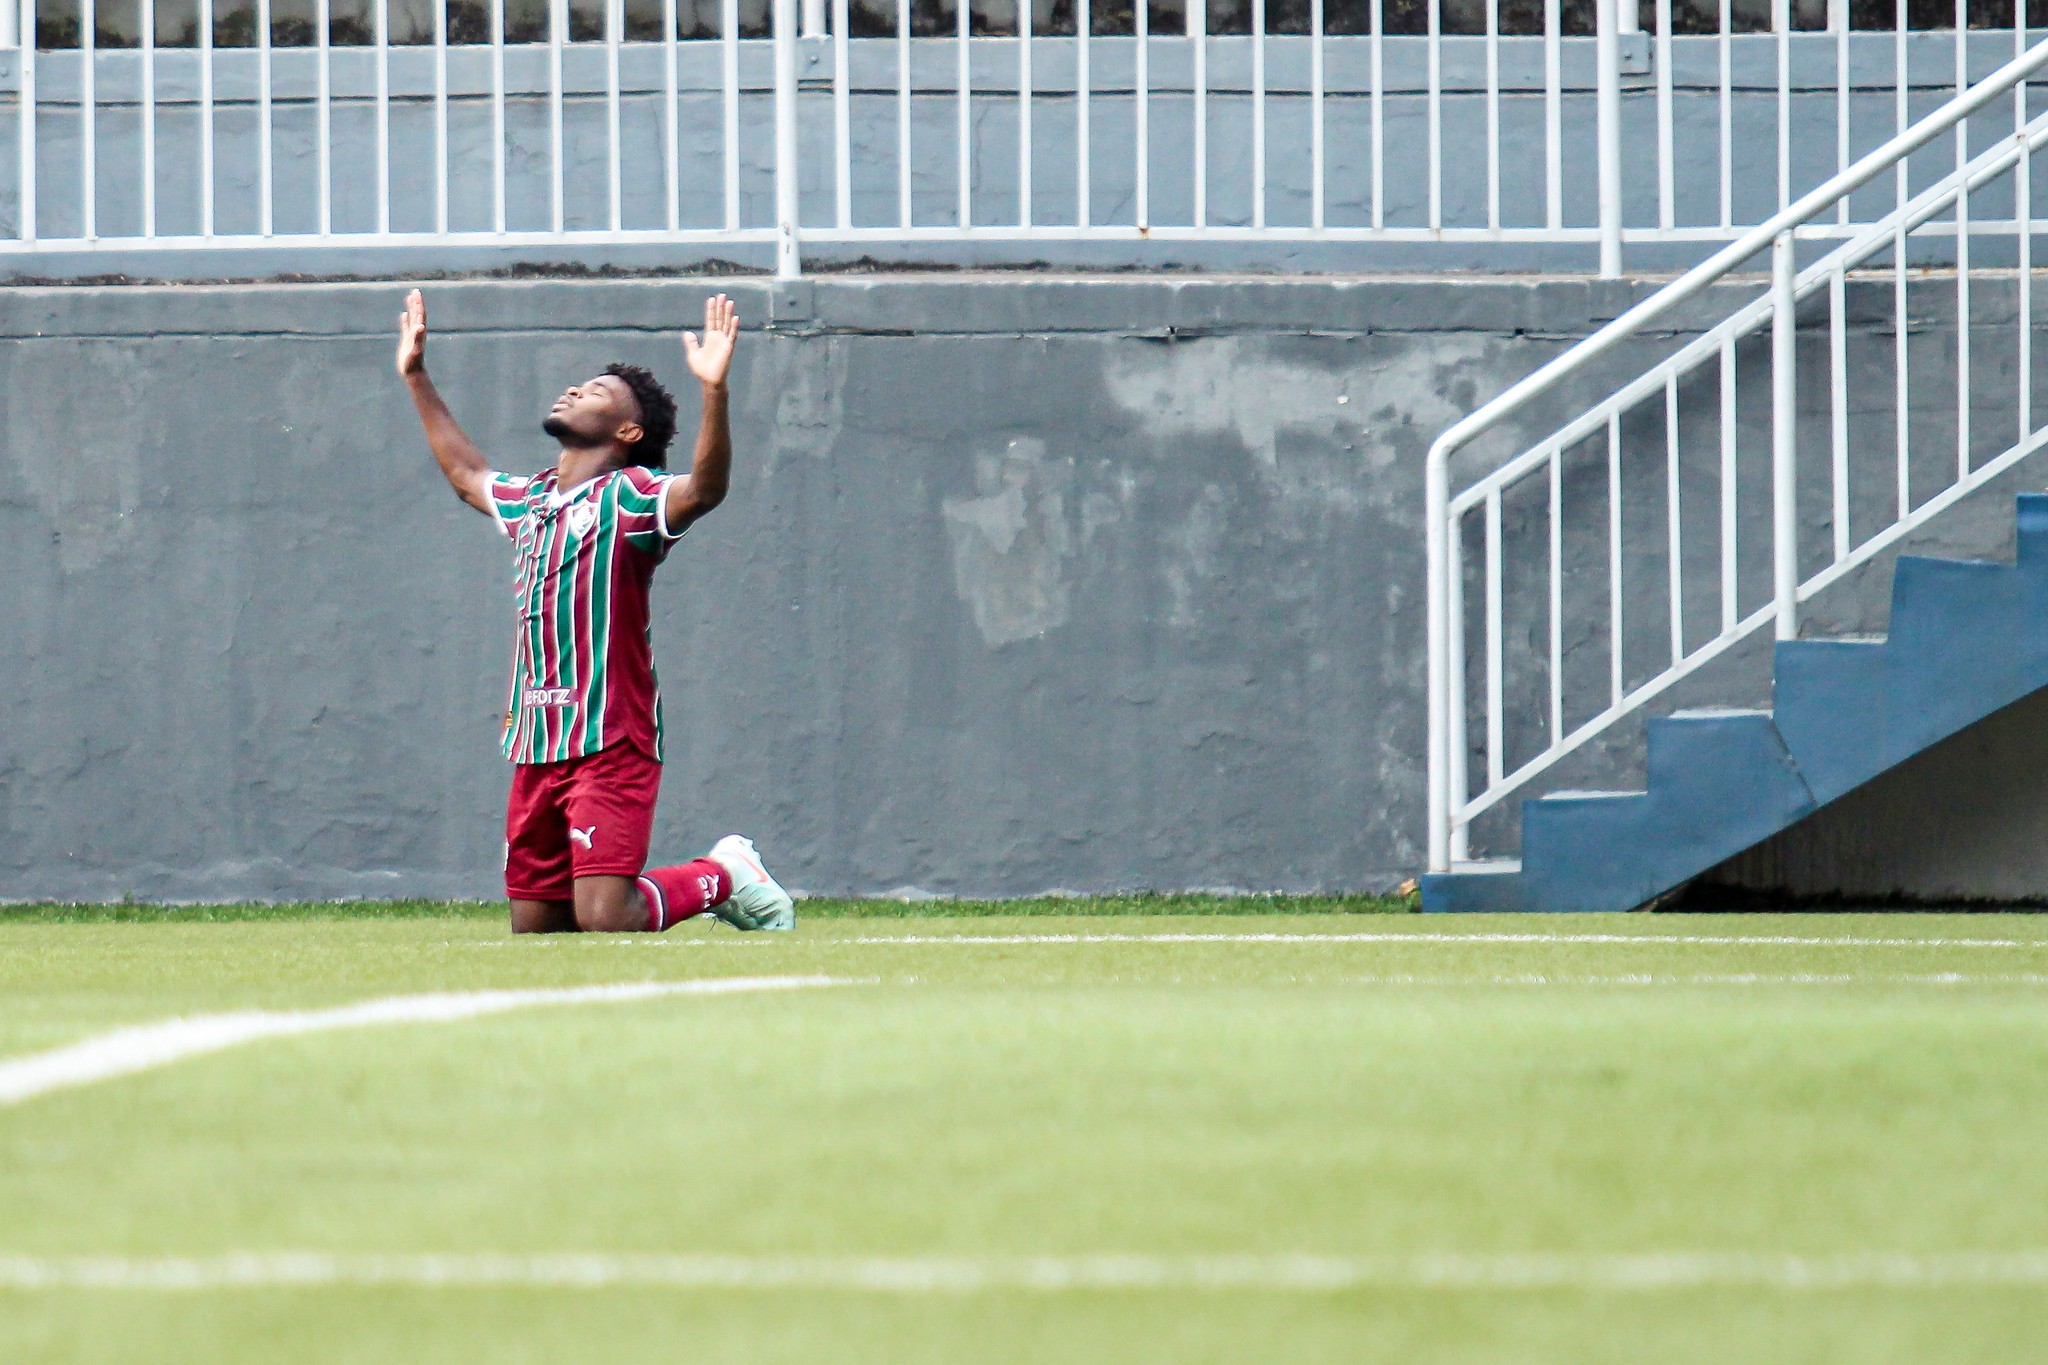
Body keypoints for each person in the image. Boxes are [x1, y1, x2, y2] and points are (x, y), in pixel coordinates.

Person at [396, 288, 793, 934]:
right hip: (536, 740)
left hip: (612, 737)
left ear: (627, 432)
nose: (575, 392)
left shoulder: (632, 498)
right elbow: (467, 474)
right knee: (540, 929)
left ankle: (727, 873)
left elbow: (707, 489)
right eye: (578, 386)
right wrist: (416, 376)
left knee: (606, 918)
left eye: (596, 394)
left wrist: (714, 395)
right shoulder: (532, 500)